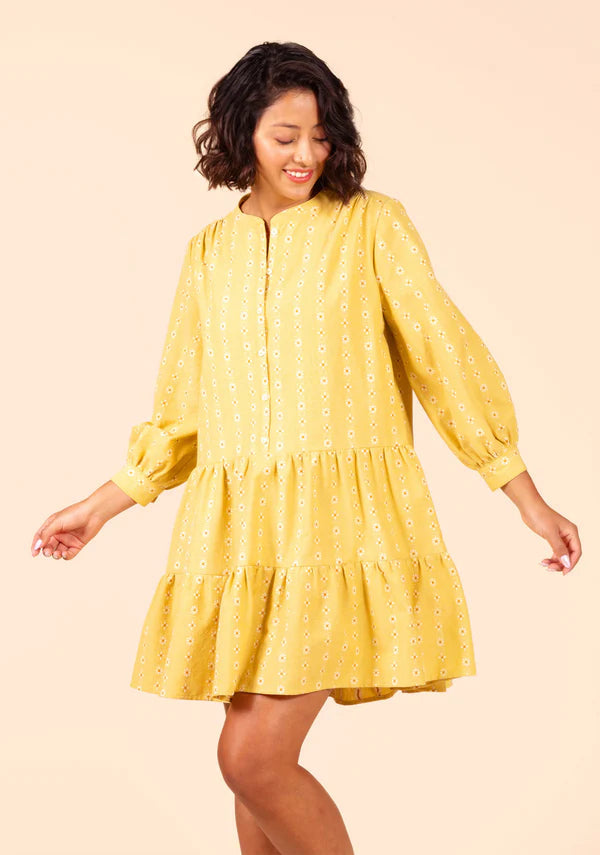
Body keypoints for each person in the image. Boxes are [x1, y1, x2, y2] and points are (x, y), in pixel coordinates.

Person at [30, 41, 581, 855]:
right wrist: (99, 507)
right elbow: (185, 412)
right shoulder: (208, 254)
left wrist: (522, 492)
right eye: (285, 135)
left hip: (338, 528)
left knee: (250, 758)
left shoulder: (371, 224)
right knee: (250, 773)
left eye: (321, 136)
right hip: (241, 536)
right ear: (242, 133)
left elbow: (444, 357)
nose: (306, 155)